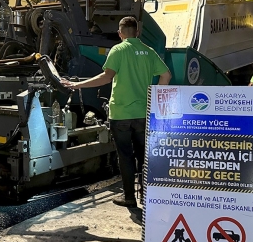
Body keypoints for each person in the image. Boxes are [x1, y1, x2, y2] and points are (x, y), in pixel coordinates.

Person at [62, 16, 172, 208]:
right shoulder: (149, 51)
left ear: (120, 34)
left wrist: (76, 85)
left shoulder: (118, 50)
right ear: (137, 32)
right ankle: (147, 198)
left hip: (120, 114)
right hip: (143, 114)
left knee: (125, 156)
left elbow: (106, 77)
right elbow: (166, 75)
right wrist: (155, 99)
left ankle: (129, 198)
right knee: (144, 157)